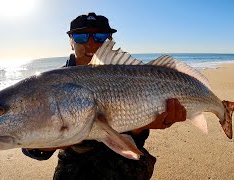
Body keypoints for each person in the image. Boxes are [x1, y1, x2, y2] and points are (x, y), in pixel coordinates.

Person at [22, 12, 186, 180]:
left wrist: (143, 126)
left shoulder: (130, 75)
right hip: (76, 159)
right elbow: (30, 145)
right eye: (81, 36)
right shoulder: (50, 83)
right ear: (71, 41)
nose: (91, 43)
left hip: (121, 157)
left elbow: (137, 136)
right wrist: (45, 146)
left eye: (100, 36)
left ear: (110, 40)